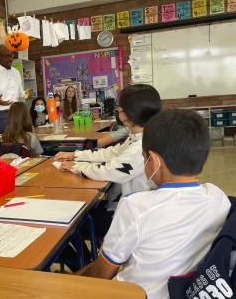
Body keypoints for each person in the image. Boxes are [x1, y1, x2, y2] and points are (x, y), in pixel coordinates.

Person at [79, 109, 231, 299]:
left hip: (132, 294)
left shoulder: (136, 207)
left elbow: (102, 273)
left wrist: (76, 281)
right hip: (185, 291)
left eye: (144, 159)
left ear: (155, 161)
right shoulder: (218, 197)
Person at [55, 84, 161, 199]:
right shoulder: (138, 137)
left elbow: (108, 171)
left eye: (120, 108)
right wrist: (76, 155)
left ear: (131, 112)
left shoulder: (140, 147)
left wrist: (76, 166)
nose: (117, 111)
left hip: (134, 207)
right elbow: (111, 153)